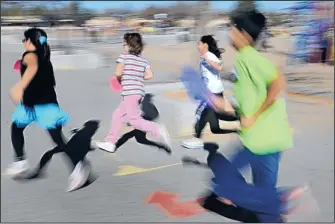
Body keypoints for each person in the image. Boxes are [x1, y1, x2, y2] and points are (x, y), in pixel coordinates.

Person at [209, 10, 302, 222]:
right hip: (256, 138)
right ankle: (274, 201)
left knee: (226, 181)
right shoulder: (244, 60)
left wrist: (254, 116)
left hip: (264, 140)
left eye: (232, 29)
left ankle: (279, 199)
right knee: (251, 193)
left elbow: (277, 83)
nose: (229, 34)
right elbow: (250, 99)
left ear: (243, 34)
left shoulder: (249, 58)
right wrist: (226, 107)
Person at [5, 28, 90, 191]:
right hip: (34, 104)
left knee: (57, 139)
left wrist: (19, 86)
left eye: (24, 40)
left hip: (42, 106)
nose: (23, 43)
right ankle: (20, 163)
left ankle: (78, 169)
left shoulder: (30, 55)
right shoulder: (45, 55)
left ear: (30, 41)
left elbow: (32, 67)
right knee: (17, 127)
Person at [96, 33, 171, 153]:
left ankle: (156, 128)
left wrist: (120, 80)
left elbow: (118, 73)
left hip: (130, 93)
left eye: (124, 44)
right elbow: (150, 75)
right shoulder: (143, 60)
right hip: (139, 92)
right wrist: (136, 76)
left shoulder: (124, 57)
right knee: (118, 115)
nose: (123, 46)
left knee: (134, 120)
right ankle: (110, 142)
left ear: (130, 45)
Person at [181, 35, 238, 149]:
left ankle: (196, 139)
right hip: (215, 90)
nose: (198, 46)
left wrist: (207, 58)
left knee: (200, 114)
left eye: (199, 43)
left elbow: (218, 68)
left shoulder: (207, 55)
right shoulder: (207, 55)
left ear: (205, 45)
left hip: (211, 92)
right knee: (215, 128)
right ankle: (241, 124)